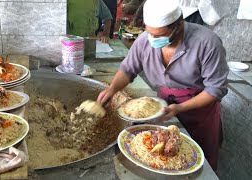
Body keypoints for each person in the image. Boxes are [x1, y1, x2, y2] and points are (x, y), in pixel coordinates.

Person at [97, 0, 228, 171]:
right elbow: (128, 69)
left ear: (179, 26)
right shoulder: (145, 40)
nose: (152, 40)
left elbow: (215, 89)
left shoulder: (207, 43)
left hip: (199, 111)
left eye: (159, 36)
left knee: (195, 160)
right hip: (163, 106)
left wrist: (179, 108)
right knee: (163, 155)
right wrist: (112, 89)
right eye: (149, 32)